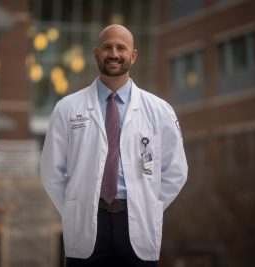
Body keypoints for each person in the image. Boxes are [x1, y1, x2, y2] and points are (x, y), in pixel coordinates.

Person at [40, 24, 188, 267]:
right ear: (96, 54)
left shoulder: (159, 110)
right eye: (107, 47)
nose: (114, 54)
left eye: (122, 48)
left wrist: (147, 205)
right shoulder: (67, 109)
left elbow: (176, 171)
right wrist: (74, 207)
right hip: (87, 219)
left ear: (133, 55)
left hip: (137, 220)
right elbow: (50, 171)